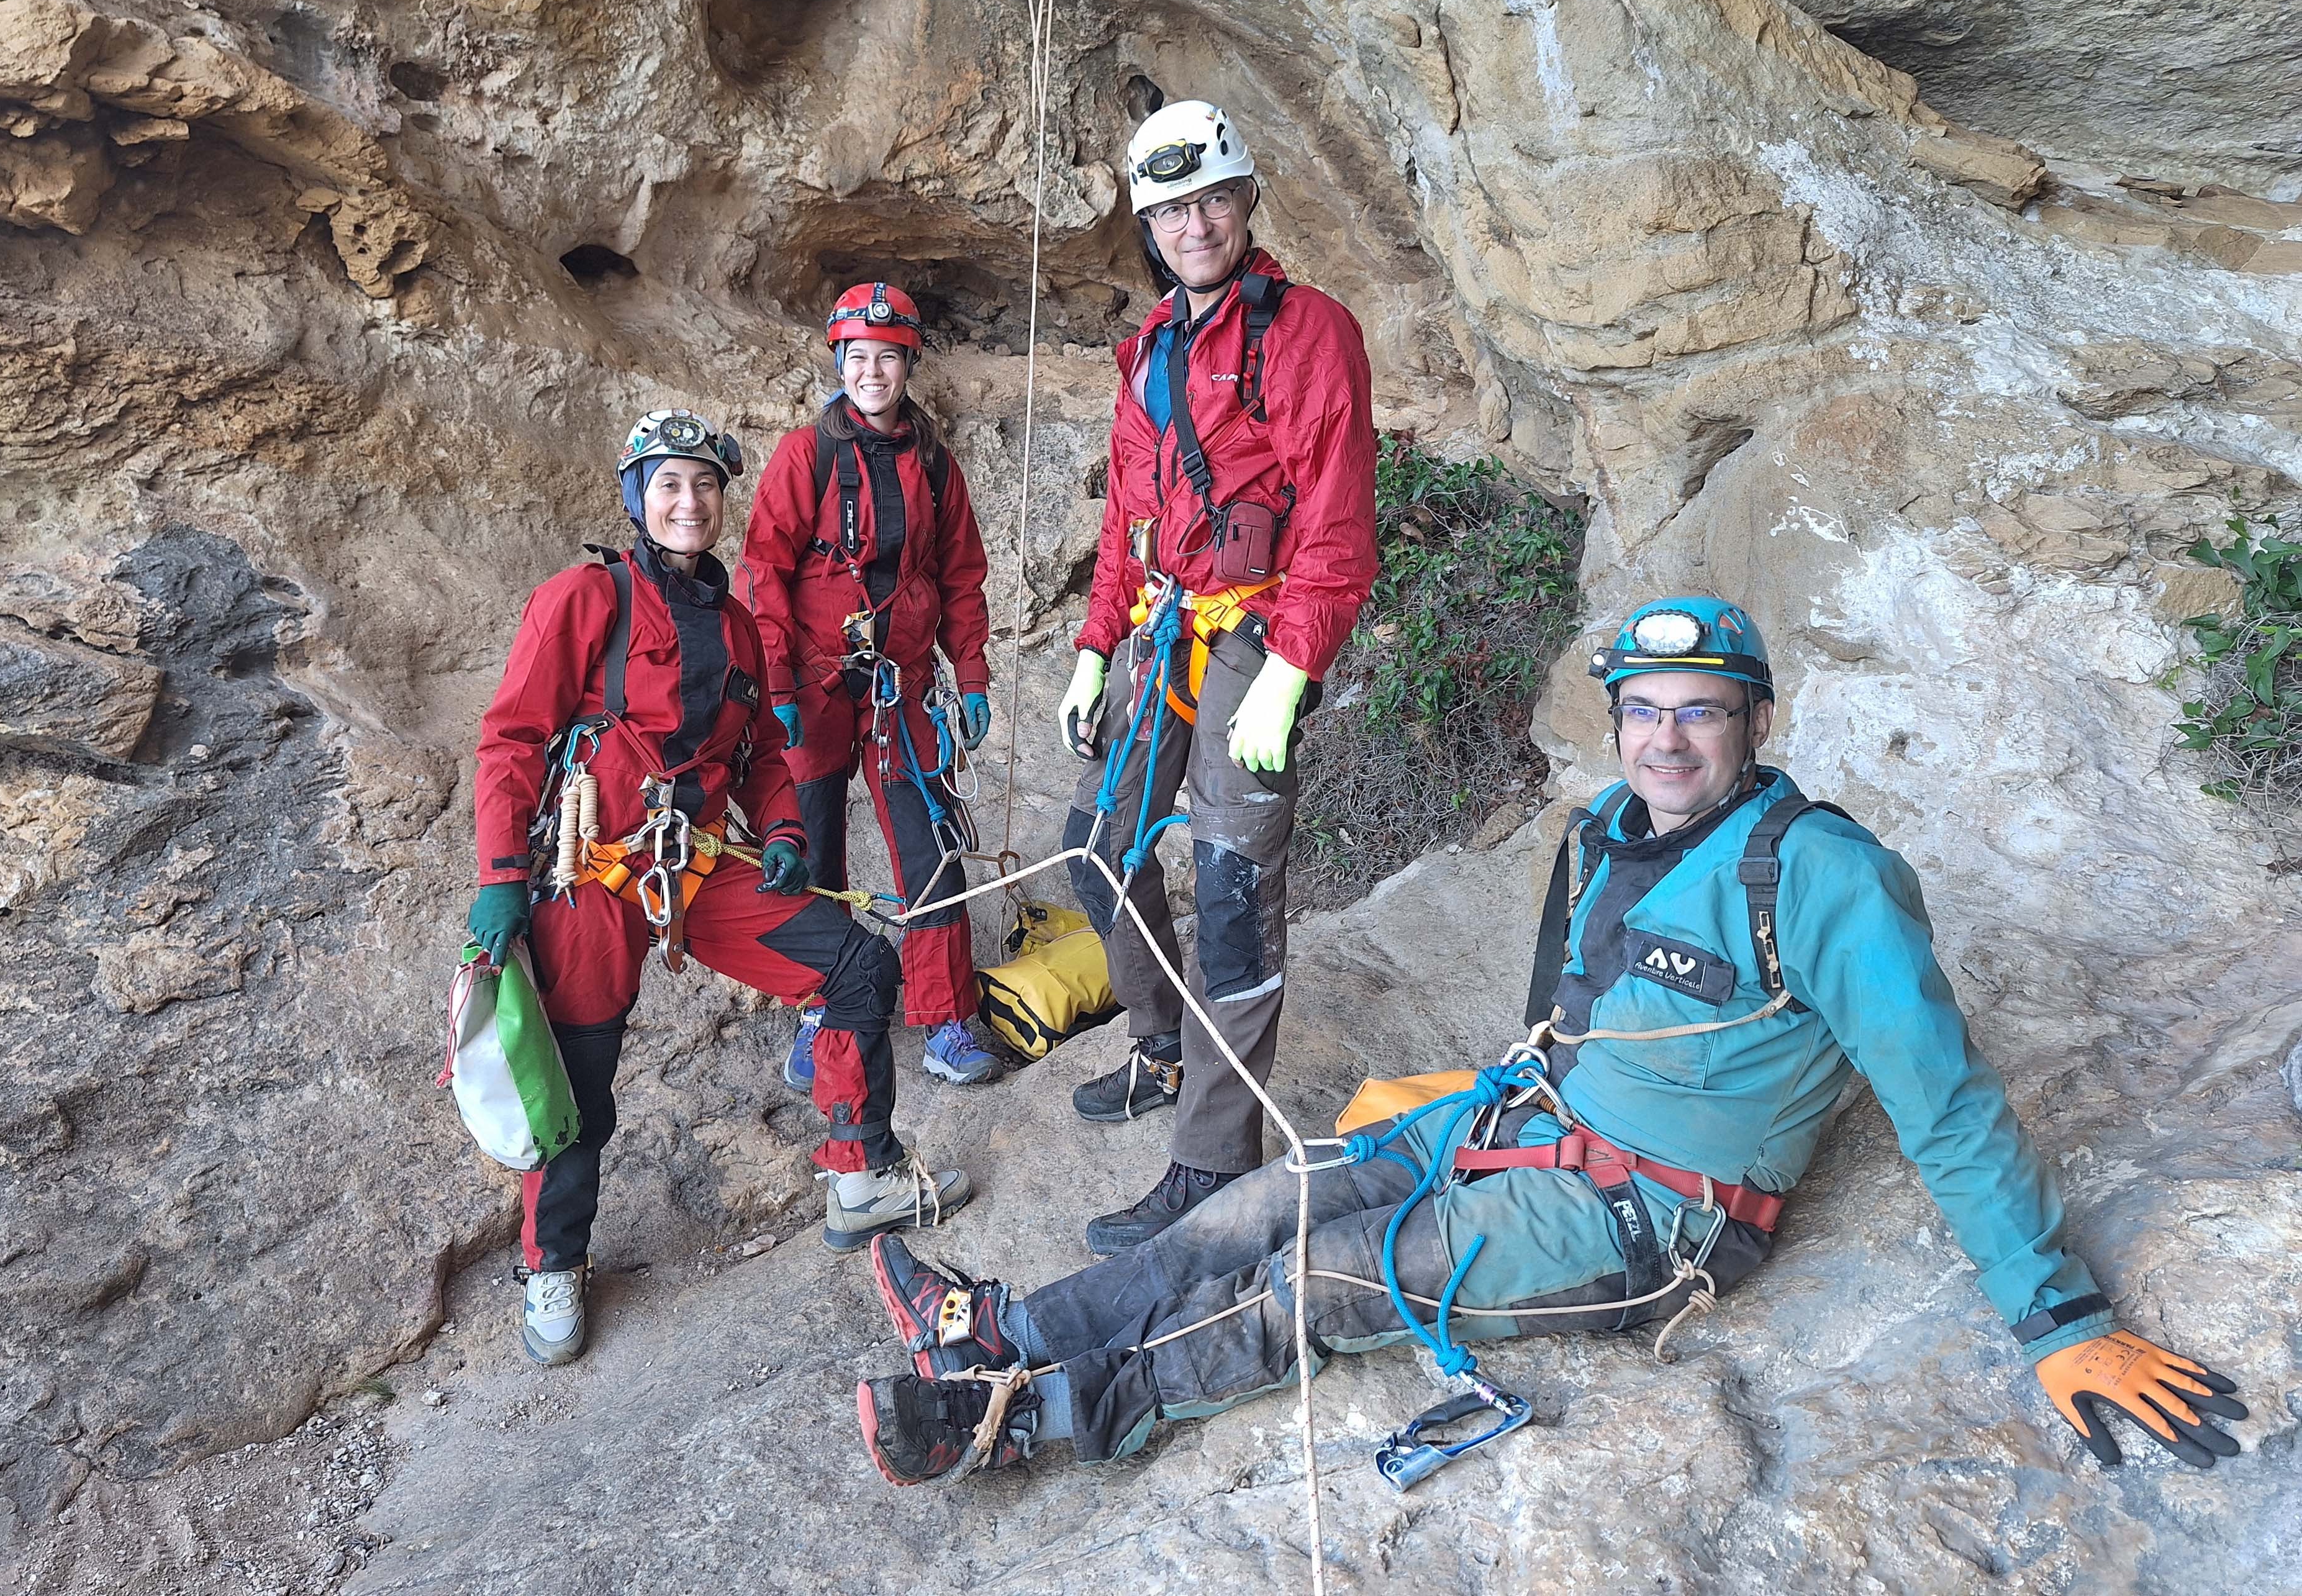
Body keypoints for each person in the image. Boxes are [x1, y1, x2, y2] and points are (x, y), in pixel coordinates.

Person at [848, 596, 2248, 1484]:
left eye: (1698, 712)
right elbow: (1572, 1025)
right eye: (1641, 712)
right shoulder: (1608, 836)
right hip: (1520, 1127)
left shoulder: (1821, 876)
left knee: (1321, 1278)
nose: (1664, 739)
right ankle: (1002, 1334)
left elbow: (1944, 1104)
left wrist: (2060, 1321)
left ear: (1752, 721)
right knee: (1255, 1204)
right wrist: (1463, 1097)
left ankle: (1033, 1418)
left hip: (1650, 1217)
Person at [468, 407, 971, 1367]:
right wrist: (500, 879)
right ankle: (553, 1261)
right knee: (578, 1077)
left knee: (857, 962)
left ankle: (861, 1173)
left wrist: (783, 830)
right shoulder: (584, 600)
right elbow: (512, 742)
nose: (688, 501)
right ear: (636, 501)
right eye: (667, 484)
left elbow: (765, 756)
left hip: (695, 868)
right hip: (594, 872)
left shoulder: (738, 627)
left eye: (703, 485)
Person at [1054, 99, 1377, 1254]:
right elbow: (1127, 517)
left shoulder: (1309, 333)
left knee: (1234, 894)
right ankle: (1162, 1046)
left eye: (1212, 200)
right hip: (1162, 631)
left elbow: (1336, 524)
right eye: (1171, 208)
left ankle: (1212, 1159)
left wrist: (1292, 675)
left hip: (1252, 638)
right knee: (1099, 842)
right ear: (1148, 226)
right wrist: (1097, 646)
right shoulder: (1148, 352)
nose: (1195, 224)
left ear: (1246, 202)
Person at [740, 283, 1002, 1092]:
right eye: (857, 357)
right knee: (810, 841)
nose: (872, 372)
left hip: (903, 684)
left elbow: (960, 574)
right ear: (840, 363)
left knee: (929, 839)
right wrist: (778, 681)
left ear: (907, 364)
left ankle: (945, 1012)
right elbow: (765, 573)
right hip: (816, 683)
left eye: (887, 357)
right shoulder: (803, 457)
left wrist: (975, 671)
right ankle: (826, 1003)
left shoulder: (932, 462)